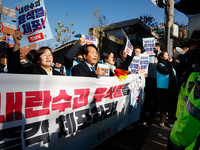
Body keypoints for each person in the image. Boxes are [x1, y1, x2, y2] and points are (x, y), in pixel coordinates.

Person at [156, 51, 178, 127]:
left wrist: (176, 63)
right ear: (161, 57)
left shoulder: (171, 64)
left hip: (172, 88)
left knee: (172, 105)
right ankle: (162, 120)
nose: (167, 56)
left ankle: (170, 121)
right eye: (165, 55)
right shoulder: (159, 65)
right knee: (163, 105)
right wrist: (170, 63)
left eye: (167, 55)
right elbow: (166, 71)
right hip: (163, 88)